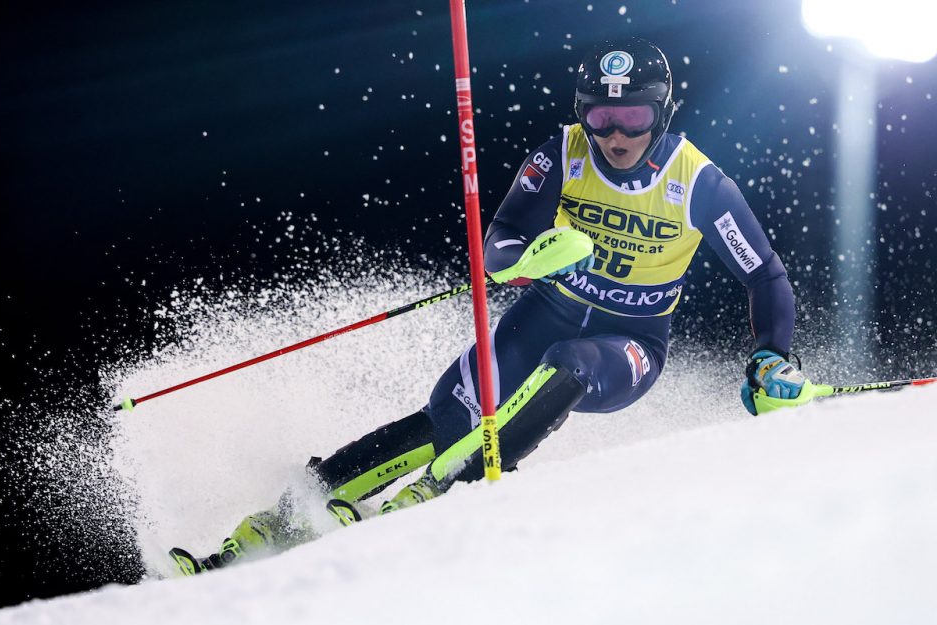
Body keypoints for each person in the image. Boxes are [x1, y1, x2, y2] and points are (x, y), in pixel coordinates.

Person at [169, 37, 811, 576]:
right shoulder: (560, 155)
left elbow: (767, 276)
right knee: (448, 413)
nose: (616, 136)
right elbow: (497, 242)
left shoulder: (696, 182)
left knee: (570, 362)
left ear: (661, 114)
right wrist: (525, 260)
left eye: (635, 119)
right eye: (601, 119)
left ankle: (443, 490)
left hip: (630, 344)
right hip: (543, 313)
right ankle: (272, 525)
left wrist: (768, 359)